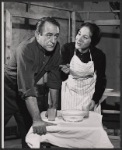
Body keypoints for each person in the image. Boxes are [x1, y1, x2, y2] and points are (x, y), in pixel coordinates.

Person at [4, 17, 61, 147]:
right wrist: (36, 119)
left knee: (31, 134)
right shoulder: (25, 49)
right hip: (6, 92)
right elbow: (27, 87)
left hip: (24, 94)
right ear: (37, 34)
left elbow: (54, 78)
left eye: (56, 36)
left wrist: (53, 107)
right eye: (49, 35)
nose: (53, 41)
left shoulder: (56, 47)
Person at [60, 22, 106, 112]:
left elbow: (101, 79)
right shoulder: (67, 49)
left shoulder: (98, 55)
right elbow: (62, 77)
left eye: (85, 37)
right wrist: (63, 72)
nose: (79, 39)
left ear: (92, 41)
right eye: (79, 34)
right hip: (70, 95)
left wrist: (95, 99)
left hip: (89, 96)